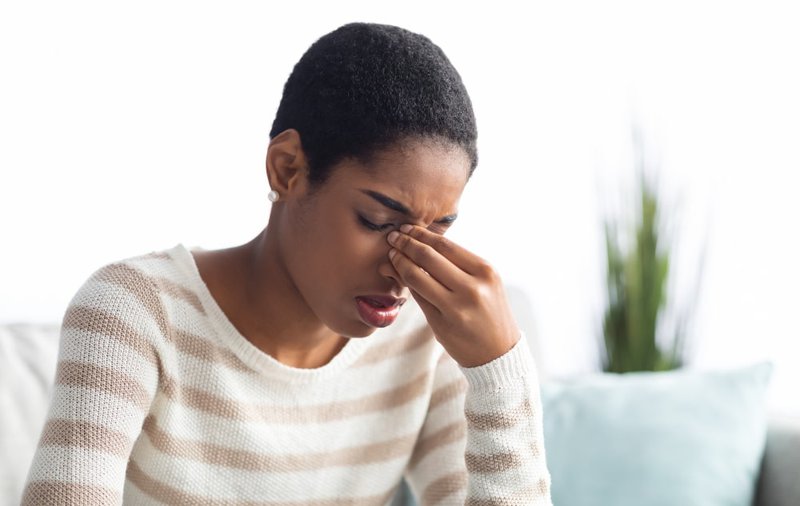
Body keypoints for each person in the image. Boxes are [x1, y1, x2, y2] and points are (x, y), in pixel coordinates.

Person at [22, 22, 552, 505]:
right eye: (375, 220)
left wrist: (499, 373)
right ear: (287, 168)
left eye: (437, 231)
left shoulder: (424, 343)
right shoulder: (135, 313)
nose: (404, 269)